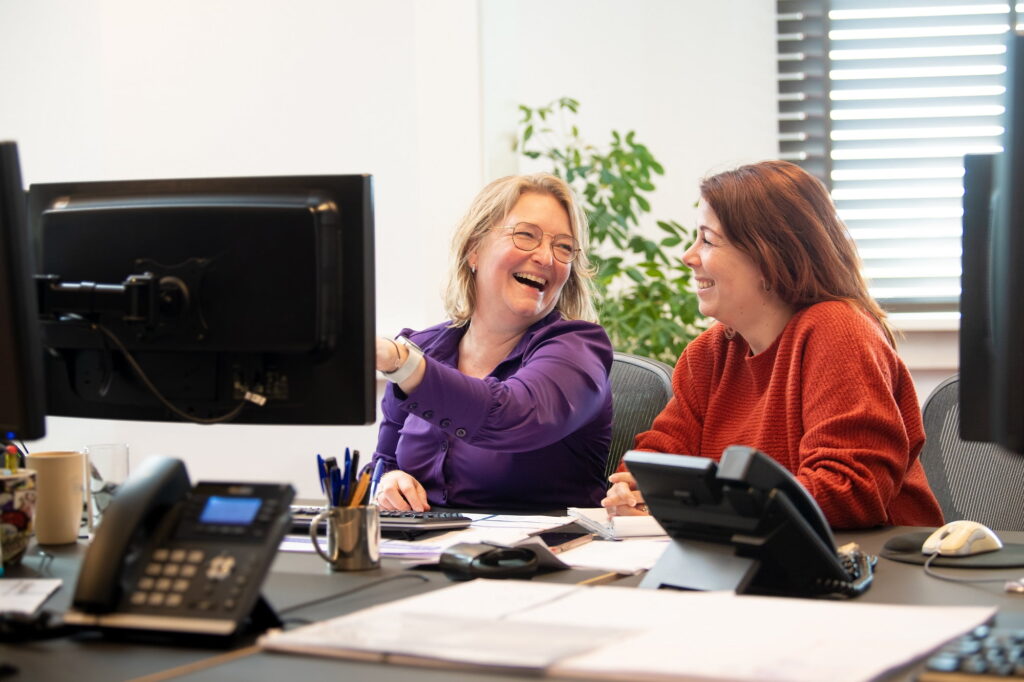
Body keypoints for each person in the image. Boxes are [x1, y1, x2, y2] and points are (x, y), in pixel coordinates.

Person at [602, 160, 943, 529]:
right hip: (760, 561)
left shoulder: (838, 331)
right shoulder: (709, 355)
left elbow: (848, 490)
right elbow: (655, 461)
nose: (689, 256)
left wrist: (710, 504)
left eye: (708, 240)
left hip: (872, 569)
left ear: (769, 256)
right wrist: (634, 489)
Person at [371, 173, 613, 511]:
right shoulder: (423, 347)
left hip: (545, 555)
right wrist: (387, 482)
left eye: (563, 247)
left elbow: (515, 416)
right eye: (526, 235)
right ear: (474, 250)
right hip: (426, 554)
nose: (546, 257)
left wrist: (403, 365)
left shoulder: (580, 349)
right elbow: (381, 465)